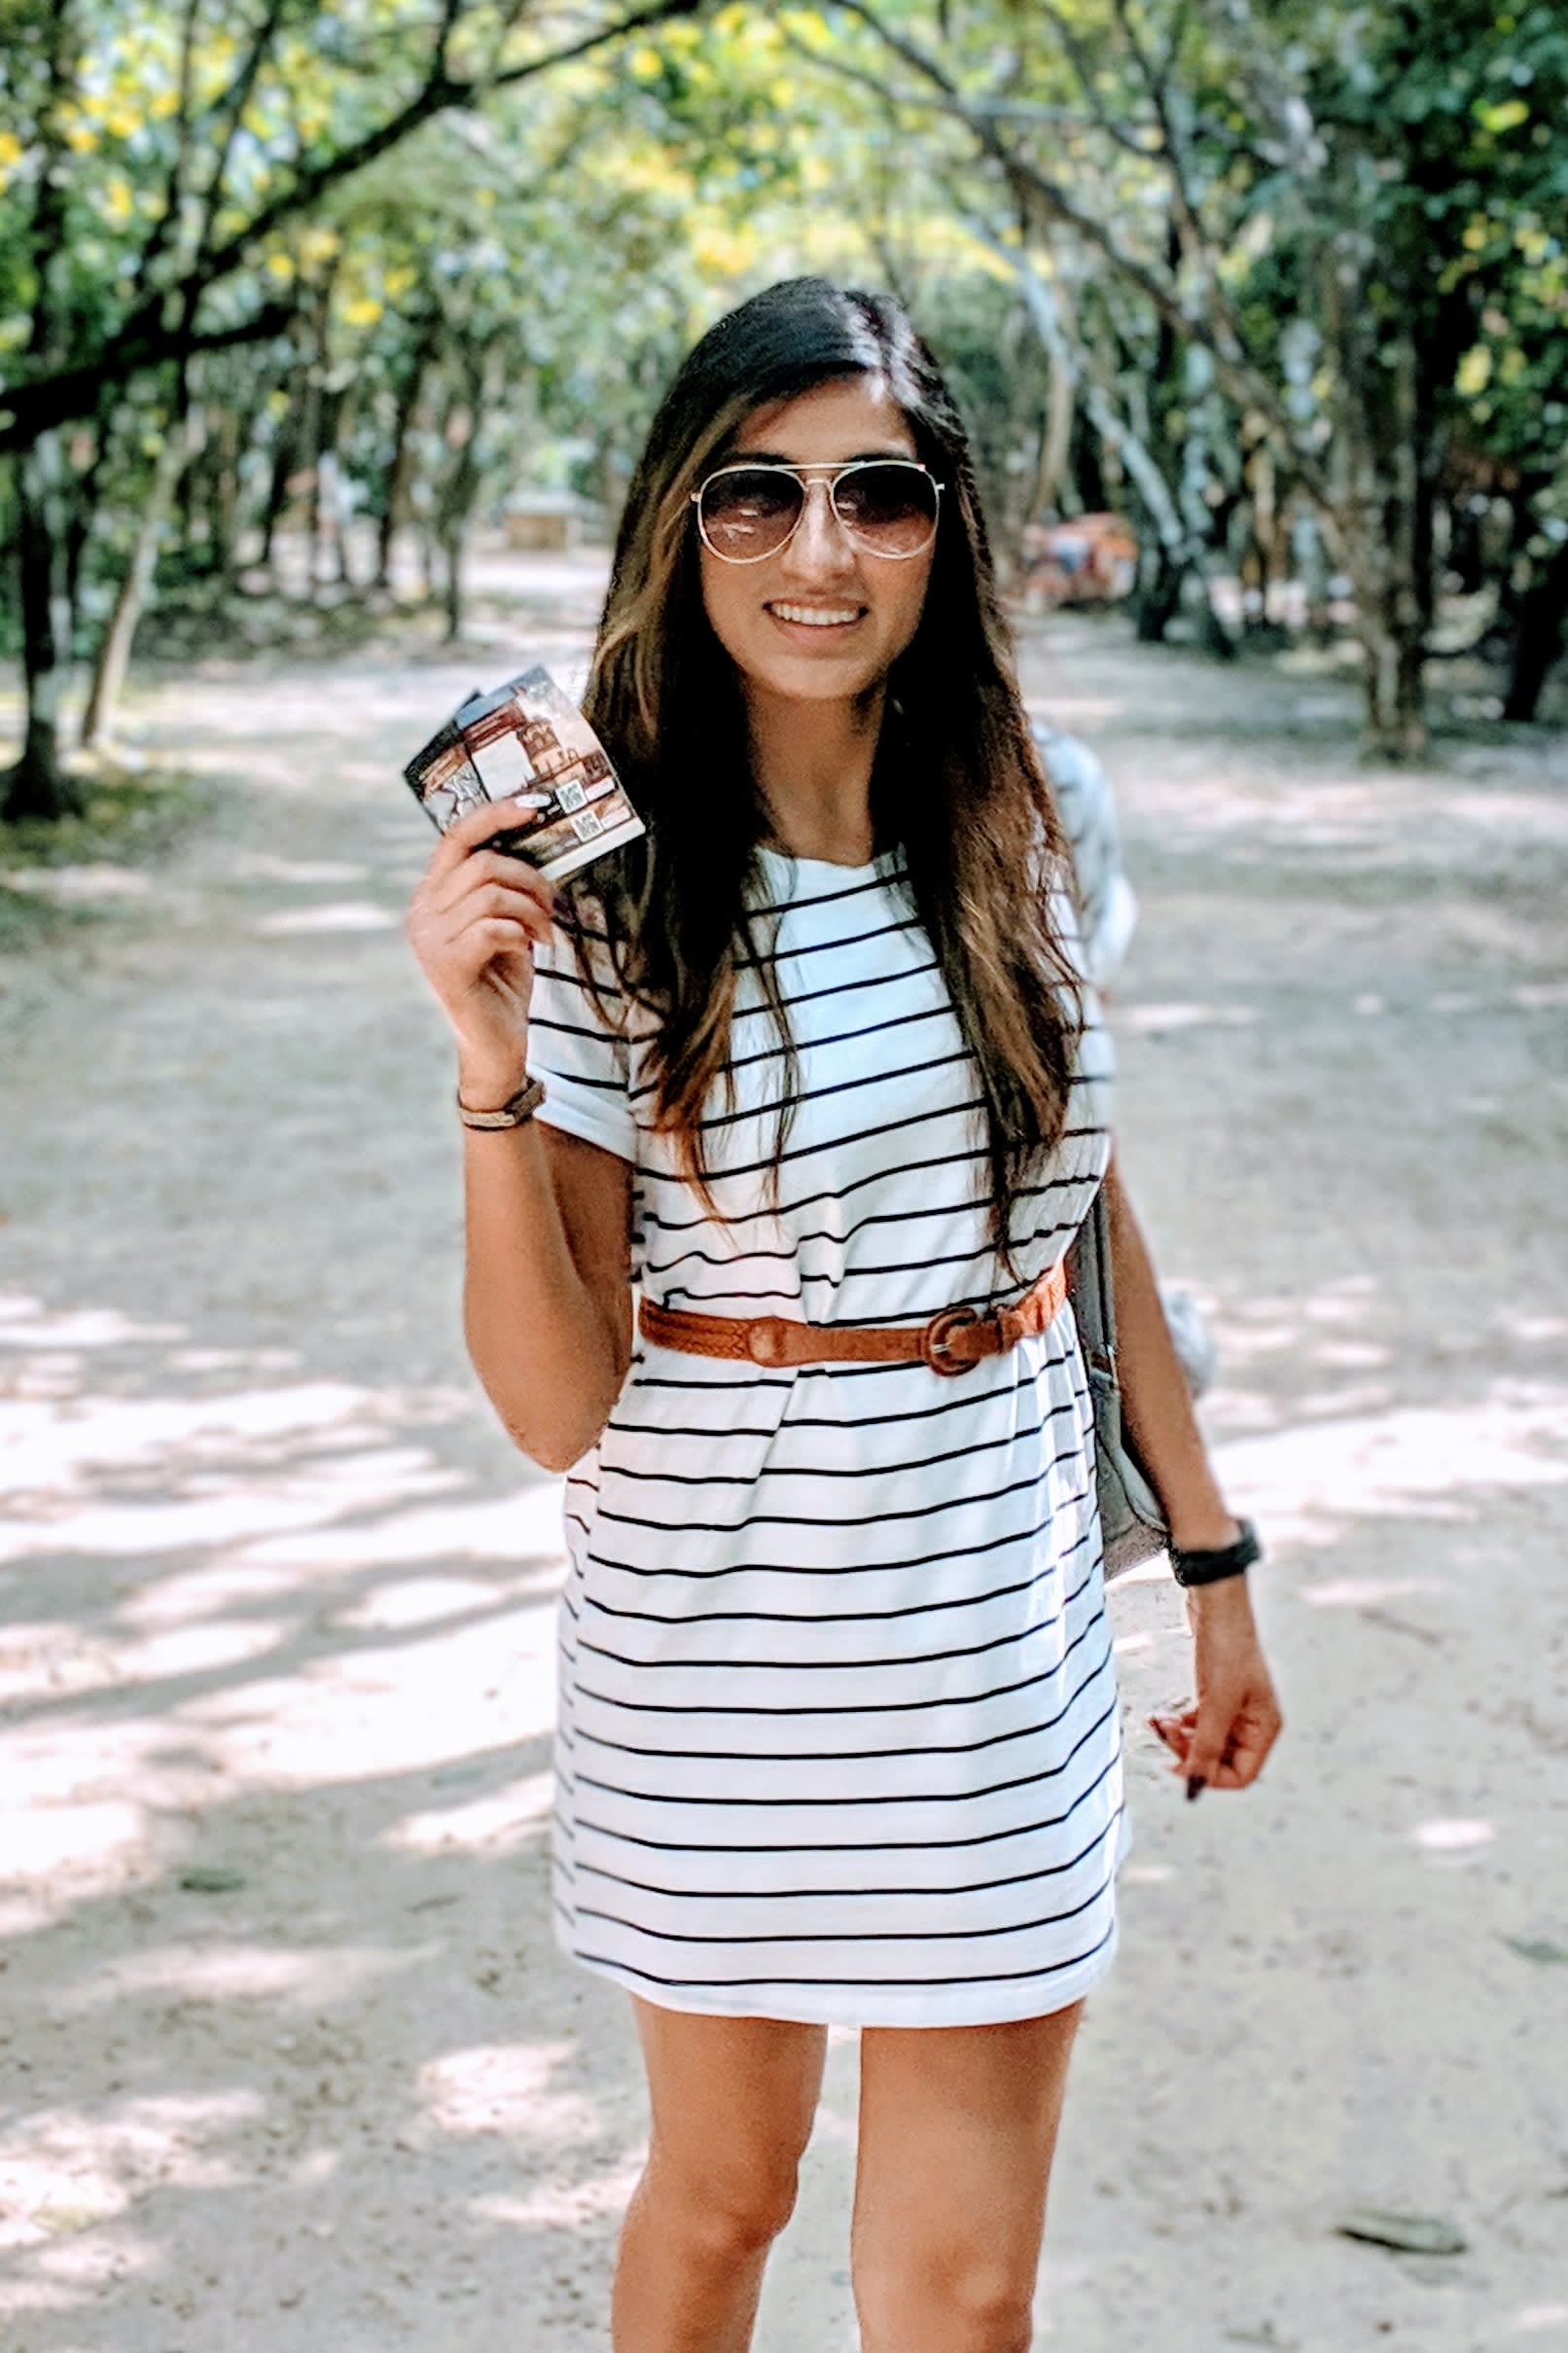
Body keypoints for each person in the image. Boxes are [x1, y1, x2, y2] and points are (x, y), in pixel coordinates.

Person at [406, 277, 1283, 2353]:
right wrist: (484, 1060)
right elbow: (554, 1406)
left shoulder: (1034, 803)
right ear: (676, 525)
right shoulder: (603, 882)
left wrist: (1213, 1550)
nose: (818, 552)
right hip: (717, 1649)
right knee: (723, 2203)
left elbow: (1074, 1198)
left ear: (944, 528)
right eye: (754, 496)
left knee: (962, 2298)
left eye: (875, 495)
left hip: (991, 1638)